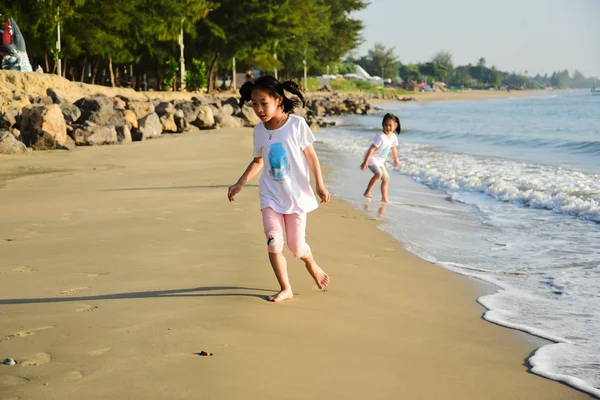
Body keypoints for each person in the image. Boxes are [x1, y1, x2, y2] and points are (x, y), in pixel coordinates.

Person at [227, 75, 331, 302]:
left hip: (296, 197)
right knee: (274, 241)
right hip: (270, 196)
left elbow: (311, 155)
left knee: (296, 246)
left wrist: (319, 184)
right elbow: (258, 161)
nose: (259, 109)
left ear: (278, 99)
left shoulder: (296, 125)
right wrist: (240, 183)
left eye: (264, 103)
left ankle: (311, 263)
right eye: (254, 104)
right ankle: (286, 288)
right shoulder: (259, 131)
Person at [360, 113, 401, 203]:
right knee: (379, 174)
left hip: (380, 161)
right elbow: (372, 149)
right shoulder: (380, 136)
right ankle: (367, 192)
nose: (388, 127)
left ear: (395, 125)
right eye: (385, 125)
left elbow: (393, 148)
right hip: (371, 159)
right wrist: (366, 161)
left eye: (390, 125)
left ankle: (384, 198)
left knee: (386, 179)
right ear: (382, 125)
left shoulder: (393, 137)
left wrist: (395, 159)